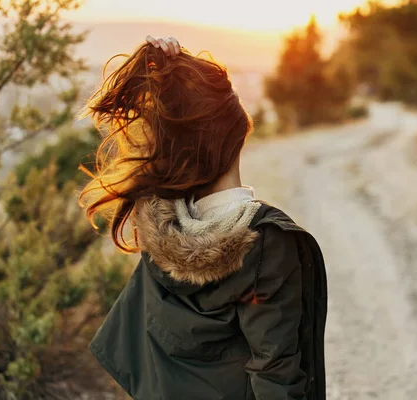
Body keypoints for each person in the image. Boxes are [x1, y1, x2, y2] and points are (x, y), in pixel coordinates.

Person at [78, 35, 328, 400]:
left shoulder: (159, 231)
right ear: (236, 132)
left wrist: (171, 74)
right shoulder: (265, 243)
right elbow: (275, 372)